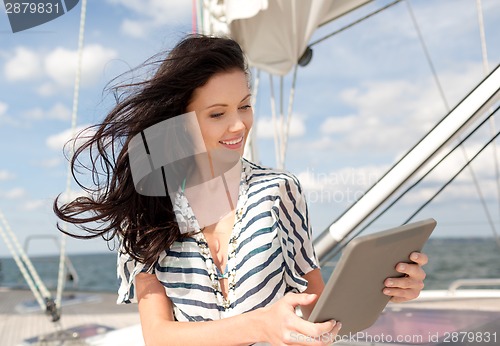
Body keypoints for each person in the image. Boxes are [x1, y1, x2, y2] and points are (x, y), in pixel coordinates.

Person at [54, 35, 428, 346]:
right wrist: (259, 325)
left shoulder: (280, 191)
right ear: (180, 122)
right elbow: (158, 335)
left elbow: (318, 314)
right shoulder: (145, 208)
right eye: (217, 113)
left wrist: (383, 293)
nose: (238, 125)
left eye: (245, 106)